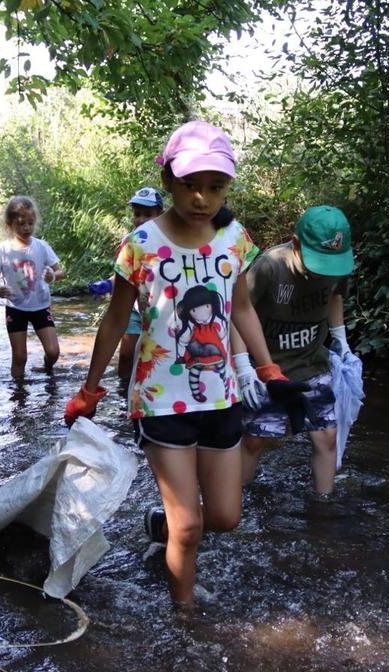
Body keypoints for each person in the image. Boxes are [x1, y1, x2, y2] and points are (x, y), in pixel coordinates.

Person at [63, 121, 307, 606]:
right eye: (191, 185)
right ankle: (185, 617)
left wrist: (267, 368)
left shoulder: (234, 239)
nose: (202, 199)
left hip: (220, 395)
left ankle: (159, 525)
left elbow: (240, 309)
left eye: (215, 187)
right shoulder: (141, 245)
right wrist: (90, 388)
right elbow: (114, 321)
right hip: (158, 400)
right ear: (170, 180)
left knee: (225, 517)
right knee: (191, 525)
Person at [233, 205, 355, 498]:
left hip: (314, 363)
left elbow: (336, 295)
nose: (323, 272)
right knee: (254, 440)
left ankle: (323, 507)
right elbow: (237, 313)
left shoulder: (338, 264)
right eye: (317, 262)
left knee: (326, 436)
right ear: (296, 243)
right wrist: (243, 367)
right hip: (266, 368)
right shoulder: (270, 267)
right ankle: (235, 503)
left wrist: (340, 338)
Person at [89, 187, 167, 379]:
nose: (141, 219)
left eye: (147, 215)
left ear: (160, 214)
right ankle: (124, 392)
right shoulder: (129, 241)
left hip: (159, 307)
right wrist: (108, 284)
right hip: (133, 306)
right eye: (137, 214)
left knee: (157, 353)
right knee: (126, 354)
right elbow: (125, 275)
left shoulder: (169, 242)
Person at [0, 196, 64, 380]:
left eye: (30, 223)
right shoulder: (1, 250)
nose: (27, 228)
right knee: (20, 357)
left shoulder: (42, 246)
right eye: (21, 224)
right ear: (9, 224)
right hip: (15, 309)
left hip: (40, 306)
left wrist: (53, 276)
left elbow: (61, 272)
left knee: (53, 352)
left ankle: (47, 367)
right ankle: (18, 395)